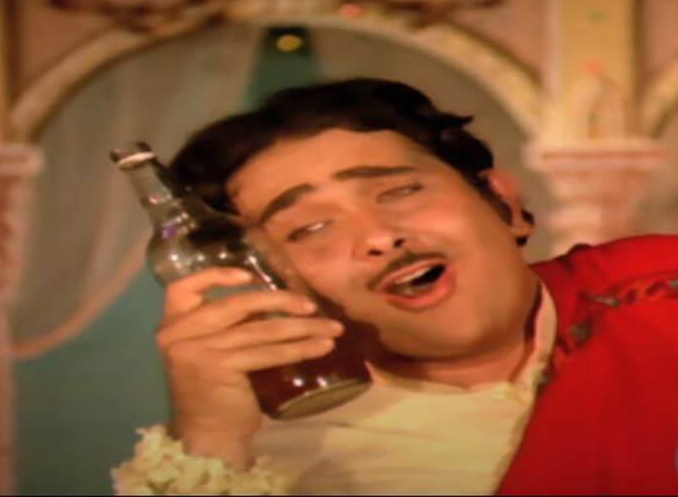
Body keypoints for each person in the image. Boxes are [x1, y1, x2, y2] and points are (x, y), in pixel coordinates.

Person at [112, 78, 678, 495]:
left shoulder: (655, 292)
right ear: (270, 285)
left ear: (504, 205)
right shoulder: (268, 465)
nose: (380, 237)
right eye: (310, 228)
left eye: (400, 192)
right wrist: (209, 437)